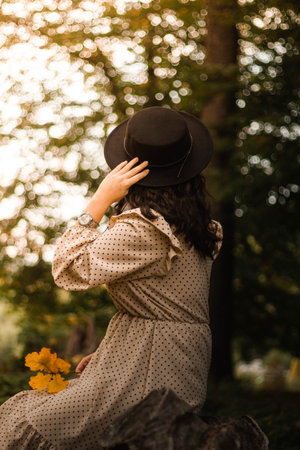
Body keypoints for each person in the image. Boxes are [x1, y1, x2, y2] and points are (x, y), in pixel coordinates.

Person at [0, 106, 223, 449]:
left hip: (152, 368)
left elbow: (67, 267)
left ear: (129, 170)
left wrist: (100, 199)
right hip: (169, 360)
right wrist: (111, 351)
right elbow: (162, 305)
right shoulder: (200, 228)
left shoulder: (145, 228)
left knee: (29, 427)